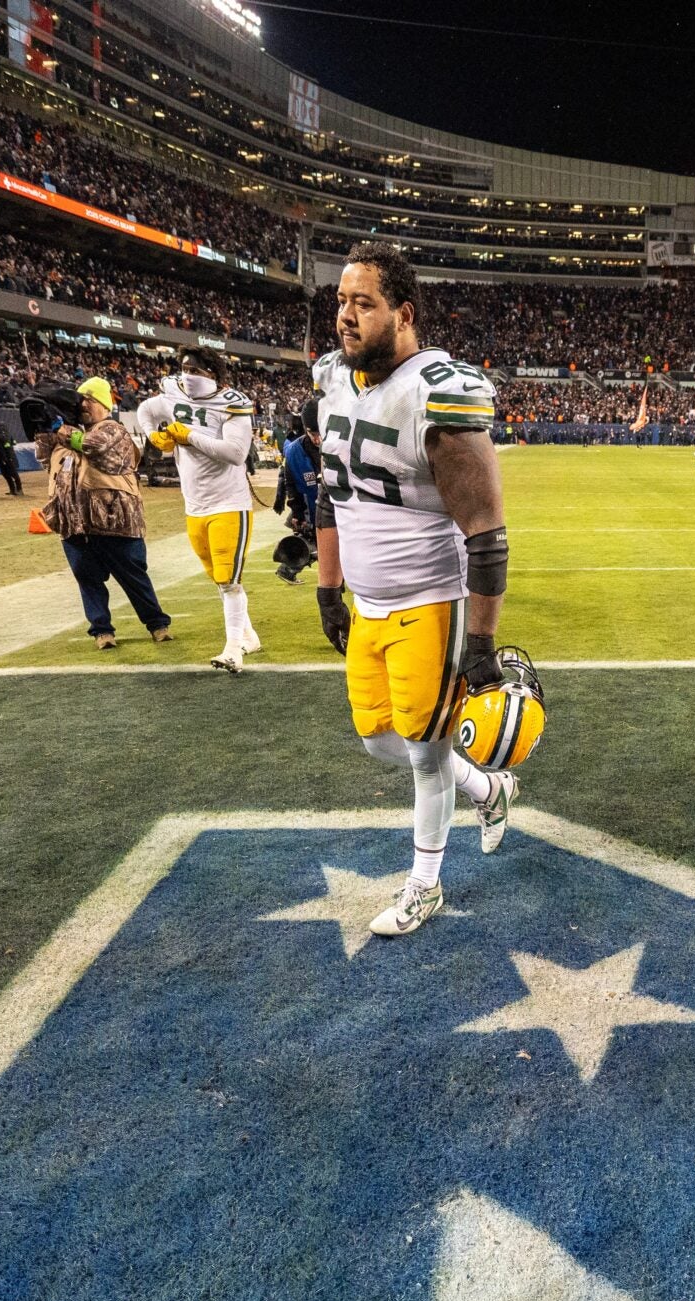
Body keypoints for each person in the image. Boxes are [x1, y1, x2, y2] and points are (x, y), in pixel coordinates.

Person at [309, 242, 517, 939]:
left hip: (433, 598)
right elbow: (330, 495)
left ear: (403, 313)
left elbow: (486, 531)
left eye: (361, 303)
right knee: (378, 739)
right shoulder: (335, 381)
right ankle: (489, 789)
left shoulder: (438, 389)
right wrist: (328, 587)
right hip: (368, 600)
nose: (344, 316)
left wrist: (481, 641)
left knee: (426, 755)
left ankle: (425, 885)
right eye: (340, 302)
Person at [139, 350, 263, 671]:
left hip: (229, 504)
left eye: (196, 369)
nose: (188, 374)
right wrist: (153, 436)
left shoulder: (233, 404)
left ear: (214, 374)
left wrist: (189, 436)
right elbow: (145, 409)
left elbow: (236, 453)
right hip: (194, 505)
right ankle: (248, 636)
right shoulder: (173, 392)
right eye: (184, 367)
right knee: (219, 580)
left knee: (228, 579)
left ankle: (233, 648)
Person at [42, 377, 172, 650]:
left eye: (89, 400)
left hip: (116, 522)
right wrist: (43, 428)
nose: (84, 405)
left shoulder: (114, 431)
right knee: (87, 580)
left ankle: (157, 625)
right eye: (81, 400)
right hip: (75, 525)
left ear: (103, 403)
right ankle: (102, 631)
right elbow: (44, 457)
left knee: (134, 578)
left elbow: (91, 445)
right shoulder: (66, 435)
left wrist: (60, 428)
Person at [273, 399, 323, 579]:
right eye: (312, 433)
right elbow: (290, 482)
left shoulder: (343, 445)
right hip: (313, 508)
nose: (317, 439)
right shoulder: (294, 451)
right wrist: (296, 512)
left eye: (320, 432)